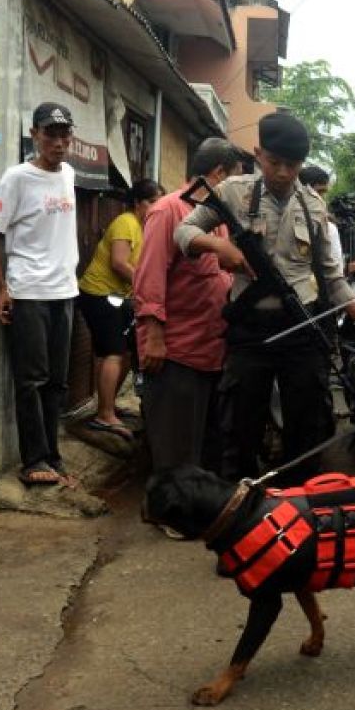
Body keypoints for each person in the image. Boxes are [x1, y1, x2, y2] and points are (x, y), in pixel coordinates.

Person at [175, 113, 355, 484]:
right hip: (250, 330)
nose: (282, 172)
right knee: (240, 425)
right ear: (259, 154)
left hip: (302, 327)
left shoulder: (314, 207)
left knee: (308, 426)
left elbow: (333, 279)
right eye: (274, 162)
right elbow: (184, 230)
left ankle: (298, 500)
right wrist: (217, 246)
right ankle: (240, 503)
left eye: (292, 166)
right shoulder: (232, 192)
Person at [0, 102, 79, 487]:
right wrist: (3, 286)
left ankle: (53, 455)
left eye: (64, 134)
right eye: (50, 134)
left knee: (57, 382)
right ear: (34, 134)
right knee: (31, 379)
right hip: (29, 291)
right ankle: (33, 460)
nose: (58, 141)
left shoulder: (68, 174)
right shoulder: (17, 178)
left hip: (64, 292)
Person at [134, 140, 240, 474]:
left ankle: (198, 517)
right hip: (176, 350)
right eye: (235, 178)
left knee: (207, 444)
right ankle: (170, 517)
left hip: (211, 350)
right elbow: (149, 276)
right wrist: (154, 336)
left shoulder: (218, 216)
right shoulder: (168, 210)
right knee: (175, 446)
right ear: (218, 173)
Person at [76, 179, 163, 441]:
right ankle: (104, 415)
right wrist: (146, 285)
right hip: (99, 294)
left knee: (125, 352)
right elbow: (119, 263)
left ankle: (109, 405)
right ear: (137, 203)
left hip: (120, 297)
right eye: (151, 201)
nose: (155, 207)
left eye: (159, 201)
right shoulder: (126, 222)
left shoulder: (145, 227)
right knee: (112, 353)